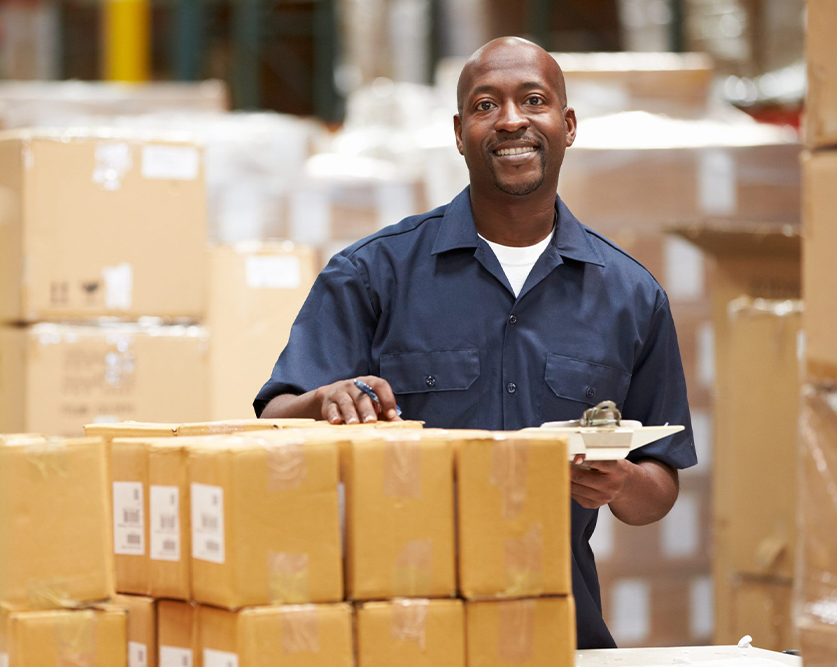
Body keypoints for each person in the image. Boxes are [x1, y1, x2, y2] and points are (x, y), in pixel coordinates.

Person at [254, 36, 696, 649]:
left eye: (533, 100)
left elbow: (661, 482)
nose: (512, 120)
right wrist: (324, 400)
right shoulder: (372, 274)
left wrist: (620, 482)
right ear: (460, 133)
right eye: (487, 105)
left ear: (567, 126)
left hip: (558, 628)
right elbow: (274, 420)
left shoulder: (631, 296)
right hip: (400, 631)